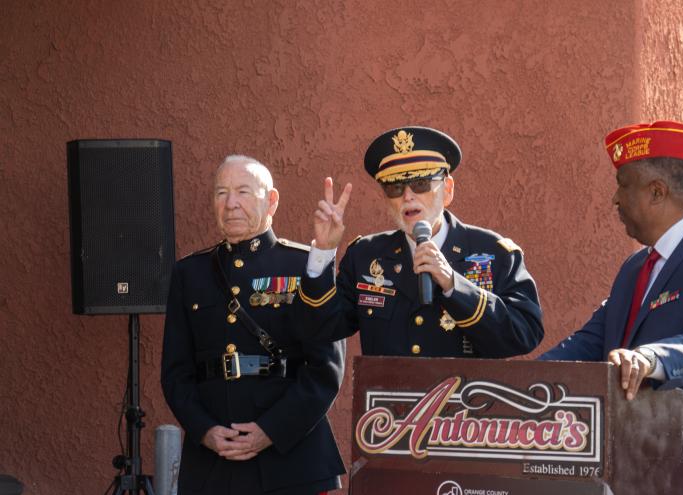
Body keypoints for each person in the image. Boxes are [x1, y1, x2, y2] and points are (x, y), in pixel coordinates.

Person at [540, 121, 683, 495]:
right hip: (642, 472)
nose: (615, 198)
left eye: (623, 184)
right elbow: (588, 342)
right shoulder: (635, 269)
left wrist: (650, 358)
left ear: (657, 192)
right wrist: (519, 386)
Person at [161, 155, 345, 495]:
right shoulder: (190, 274)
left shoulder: (306, 265)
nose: (231, 204)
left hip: (291, 461)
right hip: (212, 465)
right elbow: (175, 372)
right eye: (221, 193)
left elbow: (325, 369)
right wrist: (204, 431)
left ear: (271, 200)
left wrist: (270, 431)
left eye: (243, 192)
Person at [299, 126, 543, 357]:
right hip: (388, 399)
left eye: (420, 184)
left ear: (447, 189)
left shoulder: (492, 251)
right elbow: (322, 327)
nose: (407, 196)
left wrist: (453, 284)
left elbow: (525, 333)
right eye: (395, 188)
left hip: (464, 399)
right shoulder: (366, 255)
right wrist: (323, 250)